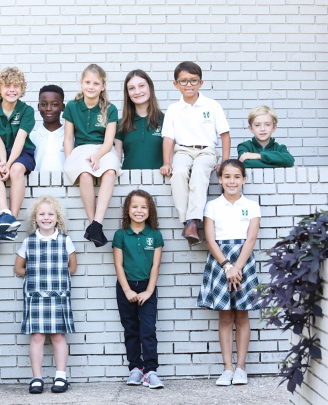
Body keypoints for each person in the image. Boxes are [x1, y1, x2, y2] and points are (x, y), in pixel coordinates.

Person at [197, 159, 262, 387]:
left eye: (236, 176)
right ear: (220, 179)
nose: (231, 181)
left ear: (244, 179)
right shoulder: (212, 206)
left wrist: (238, 267)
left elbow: (251, 238)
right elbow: (210, 239)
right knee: (225, 316)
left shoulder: (252, 205)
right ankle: (227, 368)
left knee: (242, 315)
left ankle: (241, 367)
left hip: (244, 263)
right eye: (227, 176)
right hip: (220, 263)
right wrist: (226, 266)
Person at [160, 61, 231, 246]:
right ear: (176, 84)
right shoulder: (173, 109)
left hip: (206, 151)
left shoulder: (212, 105)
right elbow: (168, 138)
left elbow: (225, 135)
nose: (189, 85)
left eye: (193, 80)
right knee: (179, 173)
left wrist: (224, 162)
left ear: (201, 82)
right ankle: (189, 223)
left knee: (199, 172)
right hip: (182, 150)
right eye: (183, 81)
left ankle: (190, 223)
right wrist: (167, 162)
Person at [14, 195, 77, 394]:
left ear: (58, 218)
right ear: (35, 218)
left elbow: (72, 267)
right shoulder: (29, 242)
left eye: (50, 214)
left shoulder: (65, 241)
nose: (46, 217)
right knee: (37, 337)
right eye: (42, 214)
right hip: (36, 297)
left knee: (58, 336)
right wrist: (36, 277)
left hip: (58, 296)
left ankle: (60, 376)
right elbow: (19, 268)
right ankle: (37, 378)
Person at [63, 64, 120, 247]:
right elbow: (68, 137)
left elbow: (109, 141)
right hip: (81, 149)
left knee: (110, 172)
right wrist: (69, 160)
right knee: (85, 175)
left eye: (96, 83)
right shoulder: (72, 106)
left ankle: (96, 224)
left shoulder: (110, 109)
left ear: (103, 86)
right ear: (81, 83)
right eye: (87, 82)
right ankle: (94, 226)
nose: (91, 86)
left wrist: (97, 156)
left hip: (104, 149)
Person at [113, 189, 164, 389]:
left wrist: (149, 291)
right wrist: (127, 290)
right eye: (134, 206)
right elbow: (118, 265)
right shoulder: (120, 235)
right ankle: (135, 368)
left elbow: (155, 266)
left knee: (148, 330)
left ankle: (150, 371)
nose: (139, 210)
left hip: (147, 288)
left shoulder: (155, 235)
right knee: (131, 330)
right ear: (128, 210)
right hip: (126, 288)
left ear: (150, 211)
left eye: (144, 207)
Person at [0, 67, 36, 241]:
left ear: (22, 89)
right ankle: (5, 213)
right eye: (7, 86)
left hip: (22, 152)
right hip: (1, 152)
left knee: (16, 171)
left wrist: (9, 163)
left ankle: (11, 220)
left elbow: (20, 140)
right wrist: (2, 161)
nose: (12, 89)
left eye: (16, 85)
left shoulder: (27, 110)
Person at [115, 70, 164, 170]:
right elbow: (116, 162)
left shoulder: (166, 121)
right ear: (128, 93)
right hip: (129, 182)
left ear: (150, 87)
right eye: (132, 88)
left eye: (141, 86)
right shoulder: (120, 125)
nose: (137, 92)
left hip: (160, 182)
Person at [30, 85, 66, 172]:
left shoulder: (70, 137)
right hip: (37, 185)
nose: (48, 108)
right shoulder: (31, 137)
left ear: (63, 107)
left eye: (54, 104)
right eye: (44, 104)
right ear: (38, 107)